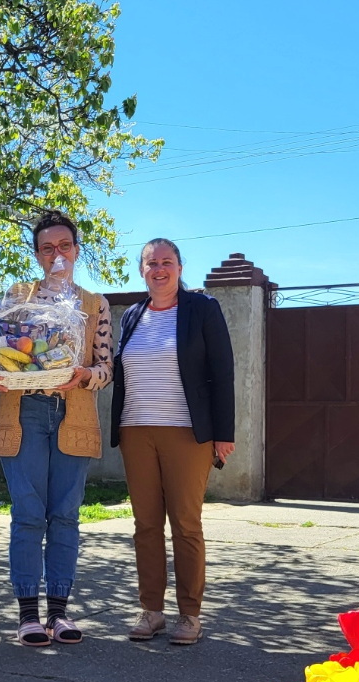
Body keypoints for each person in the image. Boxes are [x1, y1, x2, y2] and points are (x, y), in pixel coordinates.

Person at [0, 210, 112, 646]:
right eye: (47, 248)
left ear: (76, 250)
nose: (57, 255)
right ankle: (28, 614)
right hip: (24, 412)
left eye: (64, 246)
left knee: (66, 515)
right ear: (37, 255)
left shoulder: (94, 305)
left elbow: (106, 368)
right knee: (28, 514)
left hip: (74, 414)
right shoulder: (16, 297)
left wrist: (84, 375)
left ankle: (60, 613)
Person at [111, 238, 235, 645]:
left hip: (186, 432)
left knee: (185, 524)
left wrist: (224, 432)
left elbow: (222, 371)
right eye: (151, 263)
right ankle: (151, 611)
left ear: (180, 268)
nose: (159, 269)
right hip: (135, 430)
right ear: (142, 270)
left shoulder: (202, 309)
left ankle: (190, 615)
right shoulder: (133, 315)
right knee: (145, 525)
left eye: (167, 262)